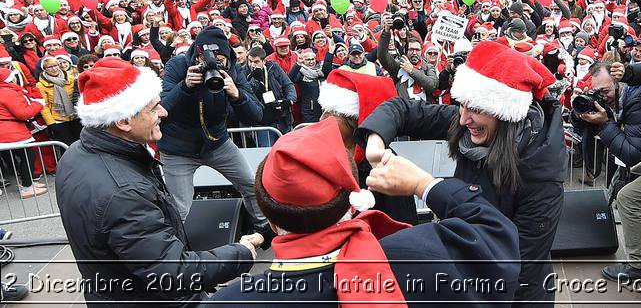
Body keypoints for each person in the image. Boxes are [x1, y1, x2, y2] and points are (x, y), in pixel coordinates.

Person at [207, 118, 521, 306]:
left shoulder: (231, 301)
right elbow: (495, 235)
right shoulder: (420, 255)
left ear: (272, 223)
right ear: (351, 202)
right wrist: (424, 184)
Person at [356, 41, 567, 307]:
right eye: (462, 105)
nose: (464, 119)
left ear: (507, 114)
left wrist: (426, 186)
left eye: (476, 110)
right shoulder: (468, 122)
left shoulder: (542, 174)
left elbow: (515, 265)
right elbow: (403, 109)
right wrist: (375, 140)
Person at [56, 59, 257, 307]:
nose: (163, 112)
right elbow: (173, 274)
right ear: (124, 121)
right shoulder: (125, 192)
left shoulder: (75, 153)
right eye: (153, 109)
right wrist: (241, 252)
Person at [158, 26, 268, 232]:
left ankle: (264, 229)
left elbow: (256, 115)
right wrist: (185, 87)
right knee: (179, 207)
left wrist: (237, 95)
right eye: (206, 59)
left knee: (252, 186)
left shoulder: (234, 72)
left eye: (219, 59)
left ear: (228, 58)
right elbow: (163, 109)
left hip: (218, 144)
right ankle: (171, 248)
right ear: (196, 55)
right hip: (177, 149)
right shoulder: (178, 66)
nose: (212, 65)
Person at [575, 61, 641, 282]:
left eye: (605, 91)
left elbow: (632, 153)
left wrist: (605, 124)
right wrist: (582, 112)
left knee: (628, 197)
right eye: (597, 92)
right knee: (636, 181)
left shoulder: (639, 99)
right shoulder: (622, 96)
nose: (602, 96)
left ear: (621, 82)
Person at [318, 69, 419, 225]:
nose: (322, 119)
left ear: (355, 122)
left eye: (332, 113)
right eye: (324, 111)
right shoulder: (321, 157)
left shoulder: (386, 166)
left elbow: (402, 226)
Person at [0, 67, 47, 199]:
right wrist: (39, 103)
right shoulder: (8, 93)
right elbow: (23, 113)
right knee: (28, 157)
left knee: (22, 157)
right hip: (11, 131)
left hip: (6, 130)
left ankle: (29, 183)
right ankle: (27, 187)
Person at [377, 14, 438, 102]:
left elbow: (432, 85)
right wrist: (386, 31)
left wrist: (411, 70)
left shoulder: (428, 67)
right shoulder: (398, 66)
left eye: (417, 50)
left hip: (424, 111)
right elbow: (382, 55)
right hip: (403, 111)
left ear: (421, 51)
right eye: (411, 50)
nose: (414, 53)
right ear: (406, 51)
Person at [245, 45, 297, 143]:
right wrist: (255, 79)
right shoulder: (244, 71)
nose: (252, 65)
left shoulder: (273, 67)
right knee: (266, 154)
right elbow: (246, 94)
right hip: (261, 124)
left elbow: (288, 84)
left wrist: (289, 100)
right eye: (250, 61)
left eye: (256, 62)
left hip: (281, 119)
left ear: (264, 61)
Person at [36, 56, 82, 148]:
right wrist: (51, 123)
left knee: (80, 144)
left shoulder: (71, 78)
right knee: (66, 146)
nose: (54, 69)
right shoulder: (40, 85)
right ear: (44, 69)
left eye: (56, 65)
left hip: (75, 116)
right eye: (50, 67)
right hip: (59, 120)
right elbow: (44, 106)